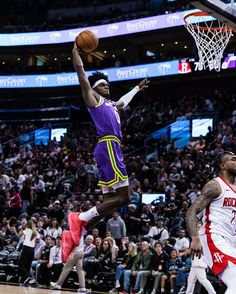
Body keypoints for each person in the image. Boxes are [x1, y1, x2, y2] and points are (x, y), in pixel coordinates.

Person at [68, 43, 149, 247]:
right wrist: (76, 55)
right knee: (124, 198)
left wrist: (137, 88)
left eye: (107, 85)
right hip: (109, 146)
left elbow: (123, 101)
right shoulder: (94, 99)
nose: (107, 87)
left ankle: (77, 233)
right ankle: (80, 218)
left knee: (108, 204)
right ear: (95, 89)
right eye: (103, 85)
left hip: (108, 149)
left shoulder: (112, 105)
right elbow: (82, 77)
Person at [186, 151, 236, 294]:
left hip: (230, 239)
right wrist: (195, 238)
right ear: (223, 165)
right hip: (213, 236)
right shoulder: (215, 185)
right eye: (233, 159)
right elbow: (191, 211)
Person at [185, 221, 216, 294]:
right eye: (197, 227)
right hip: (194, 262)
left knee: (203, 280)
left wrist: (183, 253)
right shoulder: (195, 237)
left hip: (200, 261)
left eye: (199, 227)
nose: (198, 228)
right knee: (190, 280)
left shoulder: (203, 236)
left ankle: (213, 293)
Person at [18, 220, 40, 286]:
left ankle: (27, 276)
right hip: (32, 250)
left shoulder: (27, 230)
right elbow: (38, 241)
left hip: (26, 249)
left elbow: (19, 234)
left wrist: (22, 227)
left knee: (21, 265)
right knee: (27, 266)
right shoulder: (36, 232)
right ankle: (25, 281)